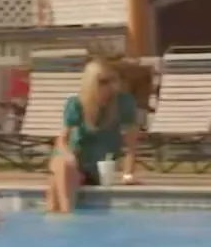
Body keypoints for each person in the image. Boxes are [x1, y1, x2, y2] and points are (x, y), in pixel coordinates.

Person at [45, 58, 141, 214]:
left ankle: (62, 219)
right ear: (90, 84)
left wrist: (128, 173)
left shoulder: (123, 103)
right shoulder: (76, 104)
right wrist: (68, 155)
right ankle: (66, 215)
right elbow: (62, 139)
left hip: (96, 169)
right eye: (103, 81)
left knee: (56, 183)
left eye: (113, 80)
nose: (111, 86)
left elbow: (131, 144)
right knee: (62, 165)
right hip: (73, 161)